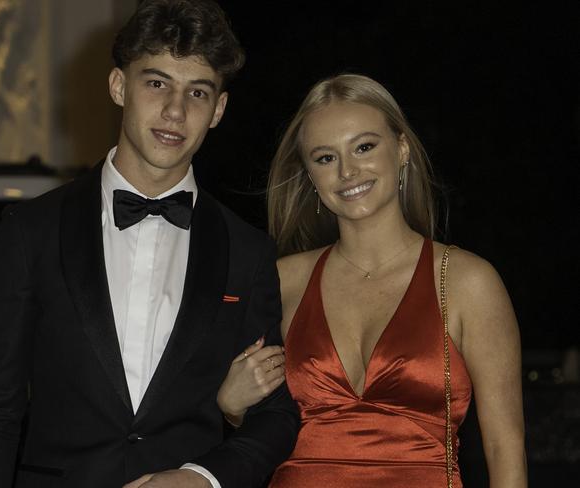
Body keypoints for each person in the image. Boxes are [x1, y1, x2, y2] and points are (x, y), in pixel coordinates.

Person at [0, 1, 299, 487]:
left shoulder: (247, 252)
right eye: (156, 83)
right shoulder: (30, 230)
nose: (175, 111)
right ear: (119, 86)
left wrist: (203, 477)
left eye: (197, 92)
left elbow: (276, 416)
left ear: (218, 110)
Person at [216, 74, 527, 487]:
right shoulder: (281, 279)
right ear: (309, 175)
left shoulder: (467, 281)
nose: (347, 171)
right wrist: (230, 408)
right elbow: (257, 423)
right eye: (325, 158)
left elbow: (505, 449)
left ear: (401, 149)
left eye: (364, 147)